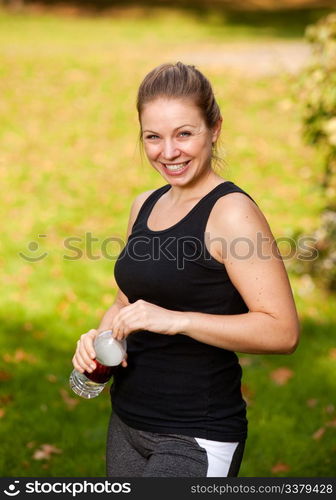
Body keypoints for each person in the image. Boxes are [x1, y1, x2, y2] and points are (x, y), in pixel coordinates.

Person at [71, 62, 300, 477]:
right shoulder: (145, 203)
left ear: (215, 129)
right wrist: (98, 340)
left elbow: (282, 332)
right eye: (153, 137)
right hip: (127, 422)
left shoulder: (232, 214)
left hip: (194, 434)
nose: (168, 152)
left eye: (184, 134)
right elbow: (127, 301)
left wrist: (177, 321)